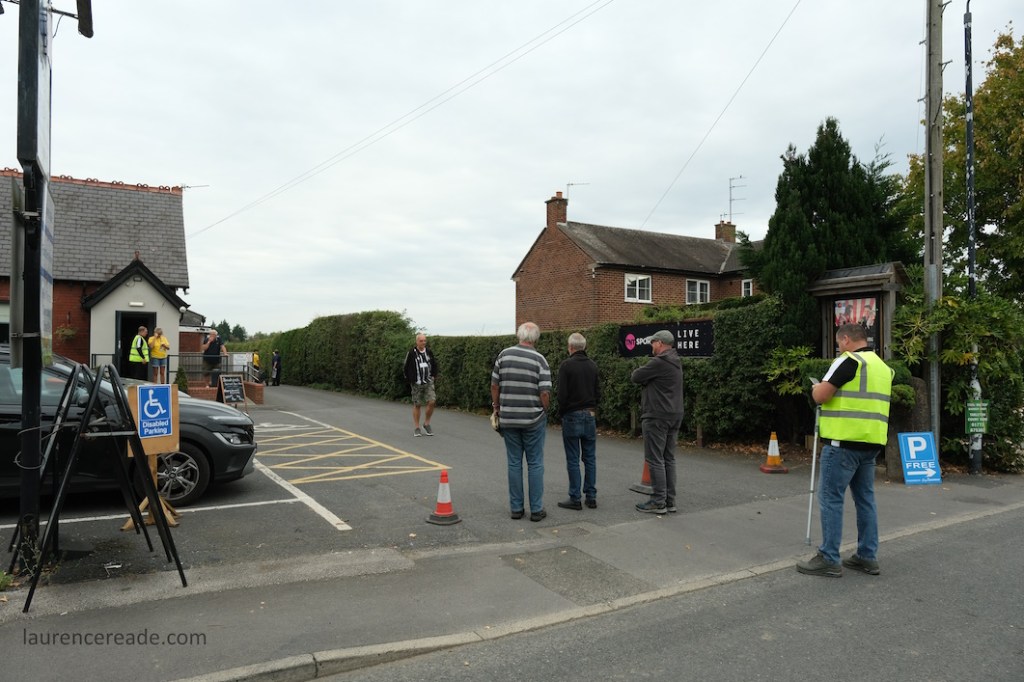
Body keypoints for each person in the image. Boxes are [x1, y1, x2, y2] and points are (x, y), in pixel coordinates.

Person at [797, 322, 894, 578]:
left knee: (831, 498)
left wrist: (815, 389)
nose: (839, 347)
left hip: (842, 443)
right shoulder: (883, 368)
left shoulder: (849, 361)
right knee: (865, 500)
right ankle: (867, 556)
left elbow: (822, 396)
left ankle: (829, 558)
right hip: (871, 444)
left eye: (840, 343)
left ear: (847, 340)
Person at [491, 322, 551, 522]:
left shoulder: (504, 355)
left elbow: (494, 385)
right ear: (535, 339)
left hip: (509, 417)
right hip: (533, 419)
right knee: (535, 463)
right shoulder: (540, 360)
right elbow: (544, 392)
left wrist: (497, 407)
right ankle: (536, 509)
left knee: (514, 462)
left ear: (519, 335)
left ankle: (516, 509)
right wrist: (545, 410)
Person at [630, 329, 684, 514]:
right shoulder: (676, 361)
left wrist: (647, 381)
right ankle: (670, 500)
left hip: (657, 415)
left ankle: (658, 501)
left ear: (660, 343)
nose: (651, 346)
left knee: (655, 459)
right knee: (669, 458)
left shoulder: (659, 362)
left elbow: (635, 376)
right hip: (674, 414)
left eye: (653, 343)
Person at [556, 332, 600, 510]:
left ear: (571, 347)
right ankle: (591, 496)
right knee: (590, 458)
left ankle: (575, 497)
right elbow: (598, 393)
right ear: (584, 346)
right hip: (590, 414)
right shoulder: (593, 365)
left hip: (572, 414)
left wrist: (562, 412)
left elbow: (562, 395)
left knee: (573, 458)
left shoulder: (566, 366)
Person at [404, 333, 438, 437]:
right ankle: (417, 427)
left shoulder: (428, 352)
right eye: (421, 341)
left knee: (432, 401)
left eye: (424, 341)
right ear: (417, 342)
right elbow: (406, 367)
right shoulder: (411, 353)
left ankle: (426, 424)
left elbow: (434, 363)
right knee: (417, 404)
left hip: (428, 381)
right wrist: (410, 379)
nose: (423, 342)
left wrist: (434, 375)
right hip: (417, 382)